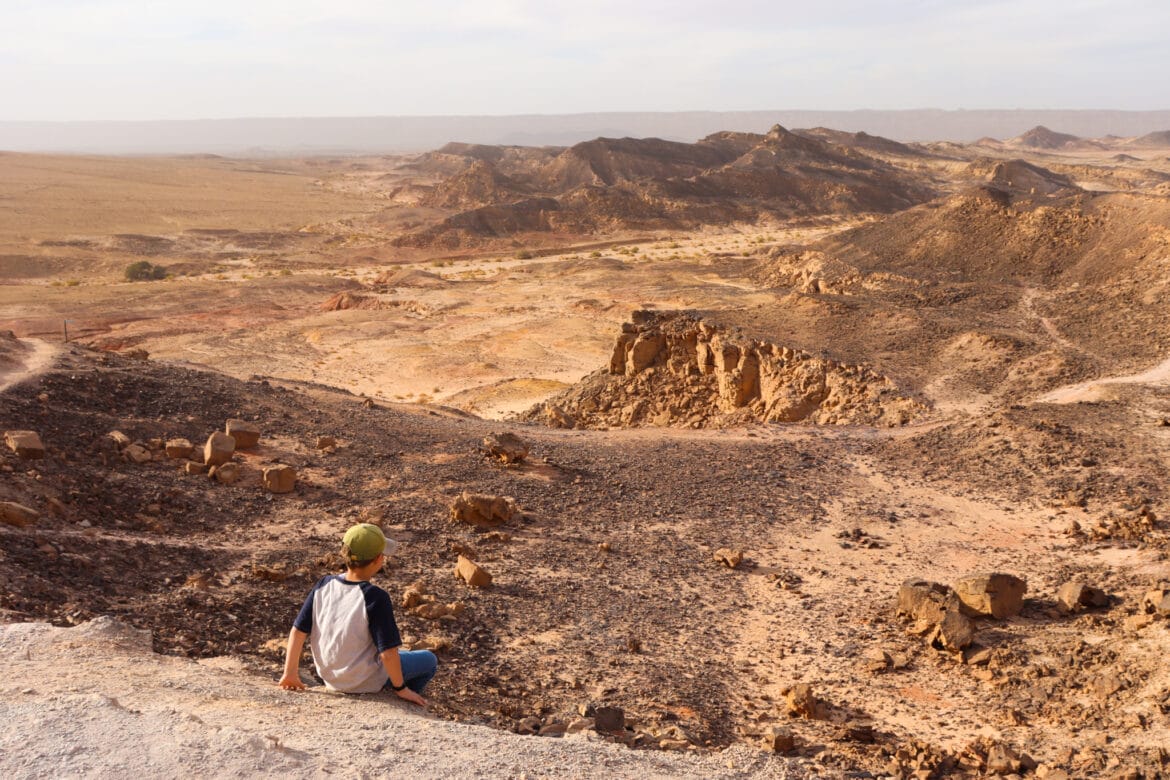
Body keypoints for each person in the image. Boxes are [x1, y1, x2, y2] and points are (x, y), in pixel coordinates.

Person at [278, 523, 436, 706]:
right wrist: (401, 688)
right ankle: (404, 698)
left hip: (330, 677)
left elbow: (298, 631)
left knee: (400, 654)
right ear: (379, 559)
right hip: (364, 680)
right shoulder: (375, 597)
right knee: (429, 659)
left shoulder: (324, 584)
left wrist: (290, 673)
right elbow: (388, 653)